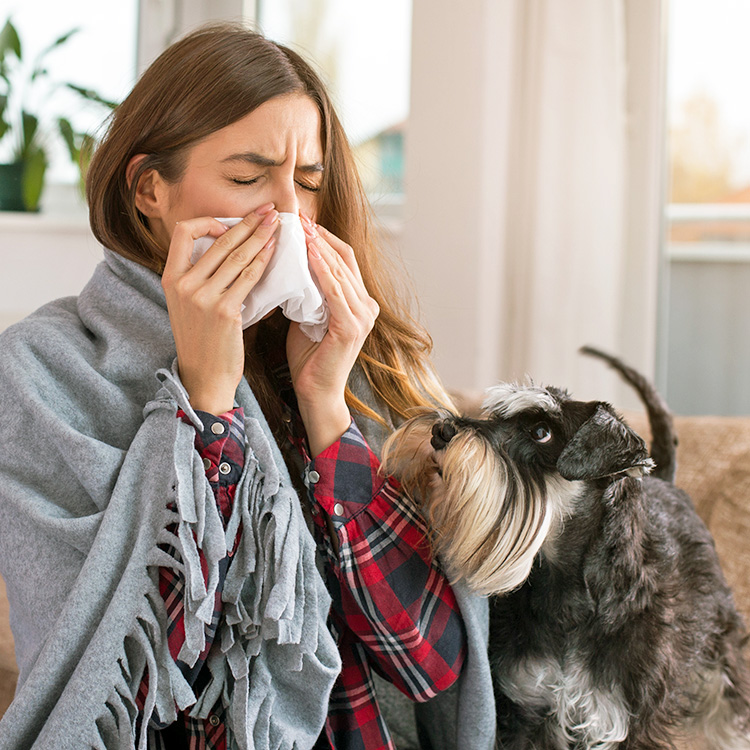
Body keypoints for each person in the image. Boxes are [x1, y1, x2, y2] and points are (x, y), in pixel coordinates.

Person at [0, 22, 495, 750]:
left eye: (309, 184)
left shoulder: (344, 366)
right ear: (150, 190)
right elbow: (147, 691)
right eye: (246, 178)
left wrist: (326, 407)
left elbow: (429, 662)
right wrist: (206, 403)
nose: (289, 215)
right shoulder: (42, 371)